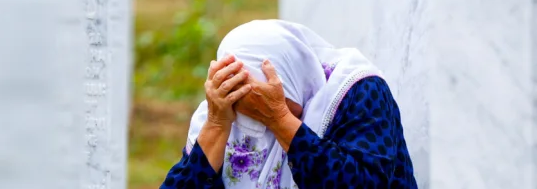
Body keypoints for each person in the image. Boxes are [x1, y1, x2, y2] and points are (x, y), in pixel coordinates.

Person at [159, 20, 416, 189]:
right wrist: (217, 125)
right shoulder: (219, 112)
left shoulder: (356, 92)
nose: (256, 115)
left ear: (294, 81)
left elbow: (363, 184)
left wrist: (281, 120)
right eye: (244, 107)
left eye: (263, 99)